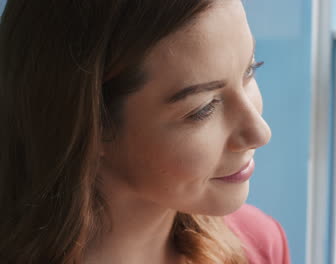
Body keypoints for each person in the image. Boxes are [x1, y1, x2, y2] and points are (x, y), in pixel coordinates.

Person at [0, 0, 291, 263]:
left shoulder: (259, 246)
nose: (259, 133)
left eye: (249, 70)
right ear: (91, 124)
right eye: (202, 109)